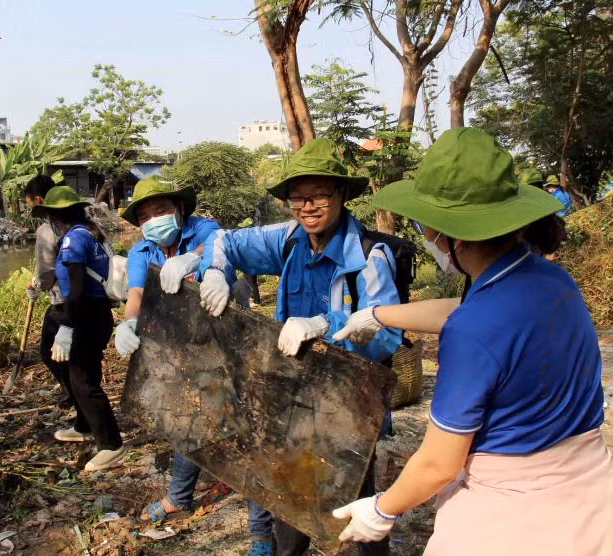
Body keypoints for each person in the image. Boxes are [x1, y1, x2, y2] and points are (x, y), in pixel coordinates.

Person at [331, 128, 613, 555]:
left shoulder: (471, 333)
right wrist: (376, 314)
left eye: (425, 226)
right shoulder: (553, 280)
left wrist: (382, 509)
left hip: (515, 515)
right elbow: (468, 311)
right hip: (588, 493)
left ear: (453, 234)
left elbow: (439, 464)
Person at [198, 138, 401, 556]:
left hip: (348, 401)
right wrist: (214, 271)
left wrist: (325, 325)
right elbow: (223, 240)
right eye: (298, 198)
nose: (307, 207)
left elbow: (386, 333)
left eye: (319, 196)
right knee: (289, 497)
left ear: (341, 195)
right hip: (292, 390)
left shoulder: (369, 256)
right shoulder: (290, 239)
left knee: (356, 497)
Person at [112, 178, 270, 549]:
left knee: (248, 430)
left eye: (161, 210)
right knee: (188, 417)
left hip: (230, 338)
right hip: (185, 344)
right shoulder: (141, 252)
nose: (154, 220)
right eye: (145, 216)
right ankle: (179, 498)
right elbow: (136, 292)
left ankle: (260, 529)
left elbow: (216, 242)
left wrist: (193, 258)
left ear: (179, 209)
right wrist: (128, 323)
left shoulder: (201, 229)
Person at [31, 185, 126, 471]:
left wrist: (67, 326)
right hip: (93, 312)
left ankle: (111, 444)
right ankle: (85, 425)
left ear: (55, 217)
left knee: (83, 380)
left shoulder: (74, 239)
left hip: (85, 313)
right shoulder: (89, 233)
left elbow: (75, 288)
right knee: (79, 374)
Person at [22, 175, 75, 422]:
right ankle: (76, 393)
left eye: (30, 204)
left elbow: (46, 271)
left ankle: (71, 392)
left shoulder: (47, 229)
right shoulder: (86, 224)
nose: (30, 210)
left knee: (48, 350)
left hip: (64, 301)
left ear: (40, 200)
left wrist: (37, 285)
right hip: (92, 300)